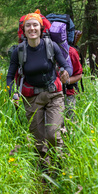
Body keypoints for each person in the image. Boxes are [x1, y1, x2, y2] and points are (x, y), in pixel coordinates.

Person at [6, 10, 73, 173]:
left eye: (35, 25)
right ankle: (45, 169)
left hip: (54, 95)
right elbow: (10, 76)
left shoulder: (51, 46)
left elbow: (67, 66)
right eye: (28, 25)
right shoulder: (19, 51)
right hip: (31, 97)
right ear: (24, 29)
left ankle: (60, 163)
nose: (32, 28)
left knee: (52, 134)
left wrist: (65, 73)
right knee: (38, 139)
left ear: (41, 28)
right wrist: (12, 92)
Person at [65, 44, 83, 120]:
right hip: (50, 96)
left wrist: (66, 81)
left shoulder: (71, 52)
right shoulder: (44, 49)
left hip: (68, 93)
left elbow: (79, 75)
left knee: (70, 122)